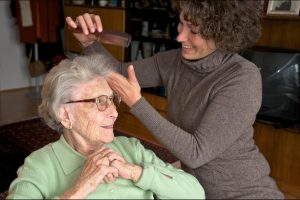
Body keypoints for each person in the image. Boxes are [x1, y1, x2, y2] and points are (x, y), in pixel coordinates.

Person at [66, 0, 284, 198]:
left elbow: (196, 153)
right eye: (181, 24)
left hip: (244, 193)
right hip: (193, 189)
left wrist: (137, 103)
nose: (180, 37)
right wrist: (89, 43)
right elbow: (120, 74)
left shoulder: (242, 77)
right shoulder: (174, 62)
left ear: (221, 33)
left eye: (194, 31)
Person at [6, 54, 205, 199]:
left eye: (112, 100)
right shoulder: (40, 166)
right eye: (100, 101)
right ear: (65, 114)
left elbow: (195, 194)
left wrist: (136, 172)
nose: (114, 112)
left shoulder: (130, 149)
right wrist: (80, 189)